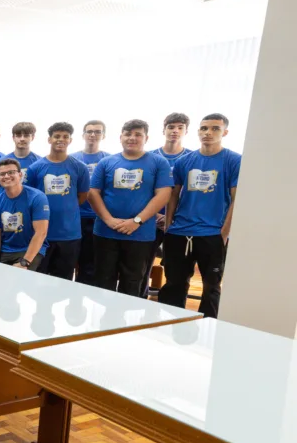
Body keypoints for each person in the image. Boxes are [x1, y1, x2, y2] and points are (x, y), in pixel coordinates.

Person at [158, 114, 240, 318]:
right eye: (204, 128)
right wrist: (169, 226)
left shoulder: (234, 160)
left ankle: (209, 327)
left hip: (212, 234)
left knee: (211, 288)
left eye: (215, 129)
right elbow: (173, 195)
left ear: (225, 132)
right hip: (179, 232)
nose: (208, 133)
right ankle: (169, 326)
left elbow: (236, 199)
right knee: (174, 285)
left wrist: (223, 235)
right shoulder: (184, 161)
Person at [89, 119, 173, 296]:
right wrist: (108, 220)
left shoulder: (159, 163)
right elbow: (93, 193)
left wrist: (136, 221)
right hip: (105, 232)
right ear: (121, 137)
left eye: (138, 134)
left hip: (140, 234)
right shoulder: (106, 162)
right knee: (102, 282)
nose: (132, 138)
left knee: (133, 283)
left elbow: (163, 195)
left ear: (146, 138)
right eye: (128, 134)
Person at [26, 123, 90, 280]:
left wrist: (66, 207)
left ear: (70, 140)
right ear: (49, 139)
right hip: (41, 236)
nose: (61, 139)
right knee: (38, 279)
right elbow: (29, 198)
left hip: (69, 235)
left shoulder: (80, 167)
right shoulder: (35, 168)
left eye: (65, 137)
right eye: (57, 136)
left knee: (64, 280)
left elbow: (82, 196)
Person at [144, 112, 193, 294]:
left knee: (177, 270)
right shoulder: (149, 157)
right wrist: (156, 214)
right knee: (143, 265)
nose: (175, 131)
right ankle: (141, 299)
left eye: (180, 128)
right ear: (163, 130)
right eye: (171, 127)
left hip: (179, 222)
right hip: (151, 219)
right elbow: (144, 190)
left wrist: (172, 218)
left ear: (186, 132)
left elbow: (191, 194)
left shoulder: (192, 158)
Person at [0, 158, 49, 270]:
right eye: (2, 174)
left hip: (30, 250)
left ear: (20, 174)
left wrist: (25, 262)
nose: (6, 176)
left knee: (20, 278)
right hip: (6, 250)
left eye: (11, 172)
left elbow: (41, 232)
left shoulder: (37, 197)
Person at [71, 120, 109, 286]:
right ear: (83, 135)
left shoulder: (108, 159)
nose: (93, 135)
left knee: (90, 263)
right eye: (89, 131)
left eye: (97, 132)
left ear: (103, 135)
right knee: (70, 259)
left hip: (97, 218)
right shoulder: (72, 158)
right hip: (75, 217)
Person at [0, 122, 39, 198]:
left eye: (26, 136)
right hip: (5, 204)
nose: (22, 139)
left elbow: (40, 191)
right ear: (13, 137)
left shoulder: (38, 162)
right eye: (18, 136)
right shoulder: (0, 162)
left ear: (32, 137)